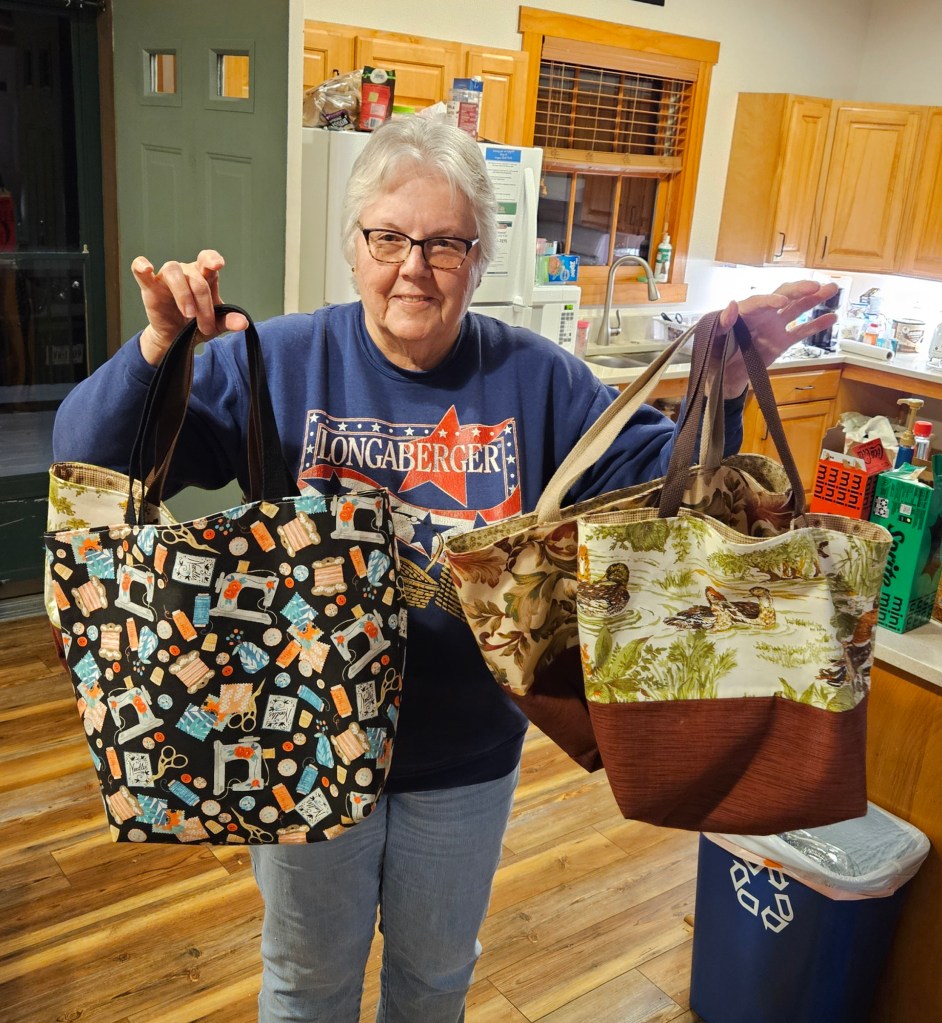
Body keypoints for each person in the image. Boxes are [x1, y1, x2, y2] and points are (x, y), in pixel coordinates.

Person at [52, 115, 837, 1023]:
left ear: (479, 257)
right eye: (388, 237)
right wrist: (157, 351)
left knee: (433, 982)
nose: (413, 267)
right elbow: (88, 452)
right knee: (307, 982)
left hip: (466, 755)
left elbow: (666, 494)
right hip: (302, 746)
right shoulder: (284, 361)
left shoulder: (538, 379)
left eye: (445, 244)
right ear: (354, 247)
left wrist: (726, 387)